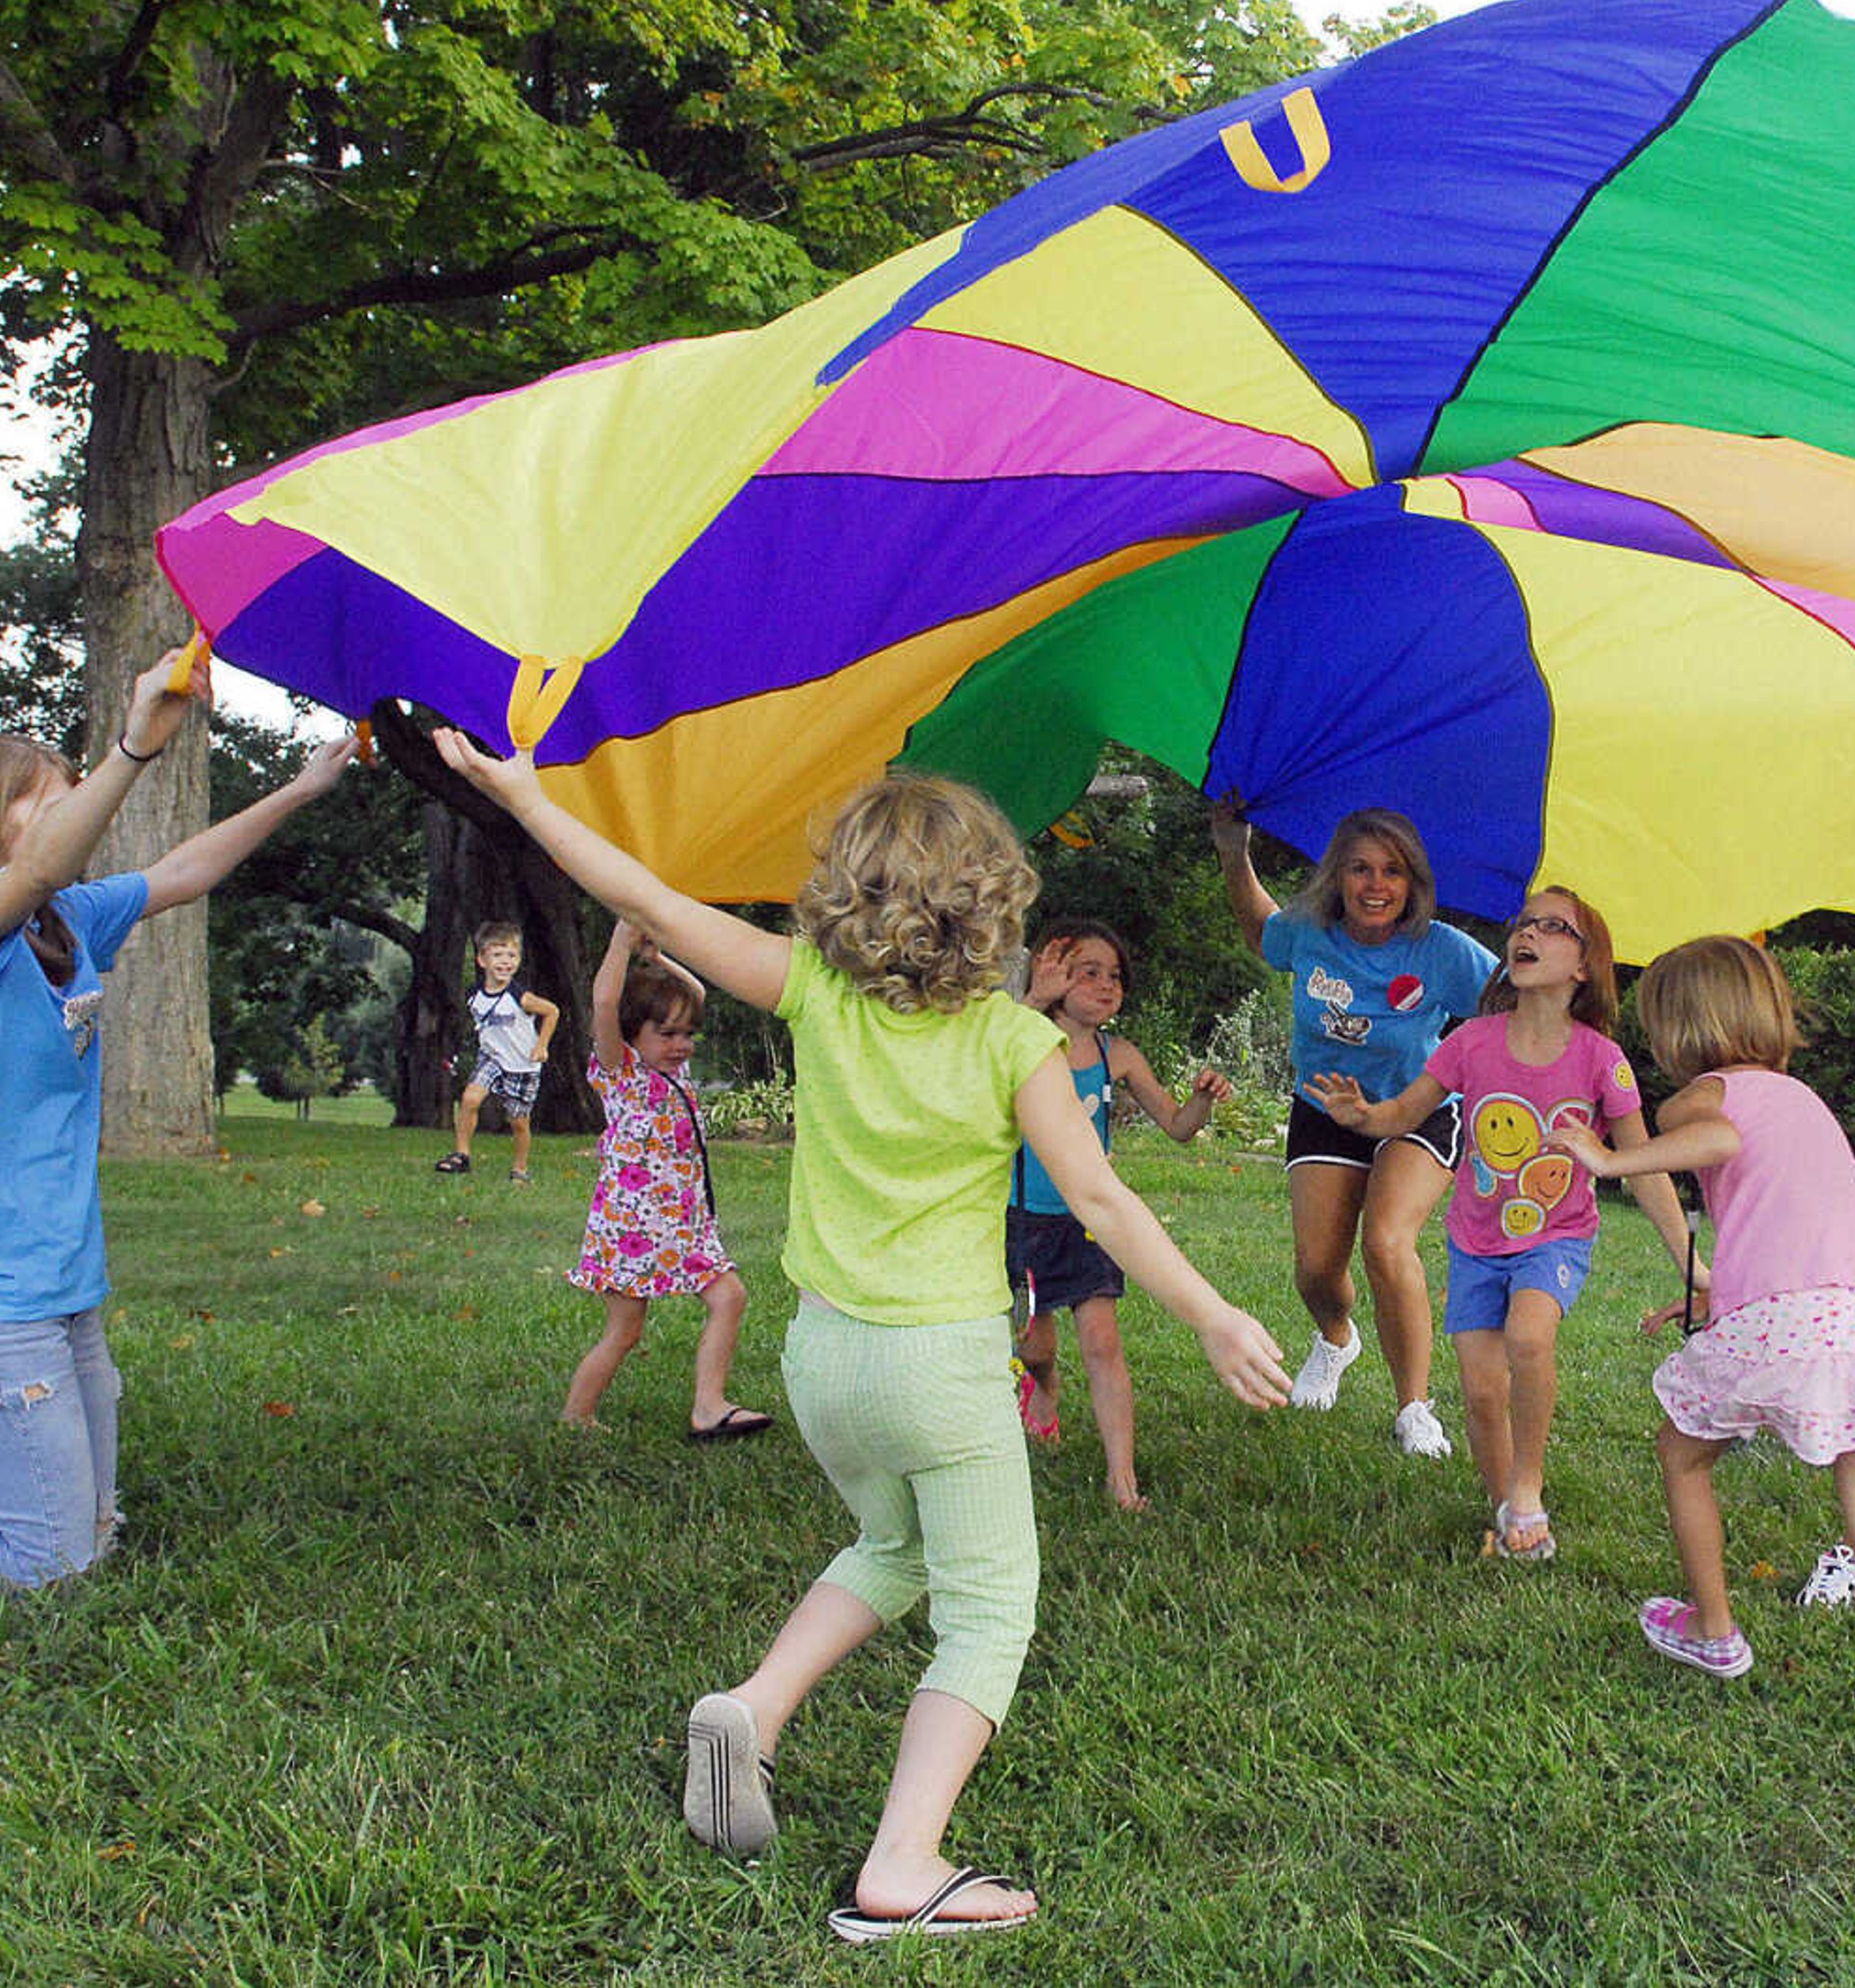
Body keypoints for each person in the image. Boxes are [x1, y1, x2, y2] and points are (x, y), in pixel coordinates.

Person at [435, 733, 1287, 1940]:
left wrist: (522, 796)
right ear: (992, 905)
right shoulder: (1017, 1043)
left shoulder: (813, 991)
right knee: (990, 1609)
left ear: (848, 897)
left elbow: (642, 896)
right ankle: (905, 1859)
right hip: (941, 1368)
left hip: (824, 1360)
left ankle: (755, 1702)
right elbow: (1100, 1199)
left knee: (894, 1543)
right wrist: (1211, 1314)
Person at [0, 648, 351, 1588]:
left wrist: (300, 789)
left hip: (62, 1293)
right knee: (50, 1561)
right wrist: (135, 745)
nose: (69, 817)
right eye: (45, 799)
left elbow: (184, 868)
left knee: (94, 1533)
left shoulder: (64, 922)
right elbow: (44, 861)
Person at [1555, 937, 1855, 1767]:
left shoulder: (1701, 1098)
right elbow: (1785, 1218)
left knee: (1681, 1455)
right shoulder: (1799, 1095)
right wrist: (1711, 1295)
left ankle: (1714, 1628)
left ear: (1680, 1025)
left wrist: (1614, 1158)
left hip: (1787, 1318)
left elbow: (1721, 1146)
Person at [1311, 886, 1691, 1558]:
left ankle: (1528, 1486)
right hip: (1476, 1243)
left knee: (1530, 1334)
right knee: (1483, 1391)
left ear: (1584, 966)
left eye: (1553, 927)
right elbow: (1403, 1114)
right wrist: (1363, 1117)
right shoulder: (1473, 1043)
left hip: (1557, 1236)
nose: (1528, 933)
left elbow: (1644, 1164)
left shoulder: (1601, 1058)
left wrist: (1695, 1264)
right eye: (1525, 923)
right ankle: (1509, 1515)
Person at [1211, 801, 1496, 1457]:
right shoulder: (1311, 932)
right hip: (1325, 1108)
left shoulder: (1443, 952)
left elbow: (1512, 1007)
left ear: (1414, 883)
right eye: (1361, 869)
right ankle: (1337, 1339)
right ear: (1337, 876)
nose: (1375, 885)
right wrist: (1234, 851)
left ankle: (1414, 1408)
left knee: (1388, 1242)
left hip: (1414, 1109)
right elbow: (1262, 933)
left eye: (1392, 871)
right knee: (1315, 1271)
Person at [1007, 918, 1233, 1510]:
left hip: (1090, 1223)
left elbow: (1179, 1128)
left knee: (1103, 1344)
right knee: (1034, 1345)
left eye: (1115, 976)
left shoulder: (1118, 1055)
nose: (1107, 985)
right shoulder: (1021, 1035)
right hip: (1022, 1216)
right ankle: (1045, 1387)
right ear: (1050, 973)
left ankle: (1122, 1481)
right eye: (1088, 972)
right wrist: (1032, 1000)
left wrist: (1203, 1100)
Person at [559, 918, 773, 1441]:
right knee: (626, 1330)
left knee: (731, 1298)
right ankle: (576, 1417)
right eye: (668, 1033)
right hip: (631, 1228)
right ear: (635, 1033)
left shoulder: (674, 1074)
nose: (682, 1044)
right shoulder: (623, 1072)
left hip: (685, 1226)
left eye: (688, 1035)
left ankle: (709, 1405)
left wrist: (657, 959)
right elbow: (606, 1004)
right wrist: (619, 944)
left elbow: (695, 992)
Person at [431, 918, 557, 1181]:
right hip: (492, 1059)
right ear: (482, 960)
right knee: (469, 1099)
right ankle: (461, 1156)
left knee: (518, 1122)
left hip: (522, 1065)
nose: (505, 962)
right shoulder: (473, 995)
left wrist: (541, 1046)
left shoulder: (519, 996)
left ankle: (520, 1170)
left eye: (512, 955)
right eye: (498, 955)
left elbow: (552, 1011)